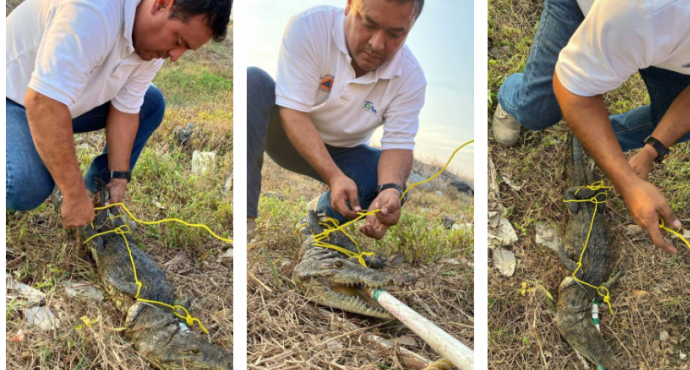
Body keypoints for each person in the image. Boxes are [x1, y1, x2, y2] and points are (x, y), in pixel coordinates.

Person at [492, 0, 690, 253]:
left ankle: (595, 134)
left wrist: (651, 149)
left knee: (681, 128)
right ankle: (513, 97)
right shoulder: (649, 8)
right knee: (535, 113)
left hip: (672, 46)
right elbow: (572, 88)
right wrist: (628, 185)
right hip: (591, 7)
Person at [6, 0, 232, 229]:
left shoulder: (151, 45)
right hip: (13, 98)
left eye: (186, 49)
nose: (175, 56)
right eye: (178, 42)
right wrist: (73, 195)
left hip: (58, 101)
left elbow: (127, 109)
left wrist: (119, 176)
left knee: (150, 104)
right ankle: (70, 192)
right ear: (162, 4)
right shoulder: (92, 12)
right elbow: (43, 103)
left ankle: (97, 199)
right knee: (25, 186)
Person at [247, 0, 426, 241]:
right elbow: (294, 112)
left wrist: (390, 191)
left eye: (395, 33)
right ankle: (245, 219)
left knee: (391, 183)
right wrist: (333, 176)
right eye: (368, 24)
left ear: (411, 27)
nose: (377, 44)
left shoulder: (411, 77)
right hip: (285, 135)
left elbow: (398, 145)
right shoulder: (309, 27)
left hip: (345, 154)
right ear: (350, 5)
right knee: (253, 82)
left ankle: (318, 217)